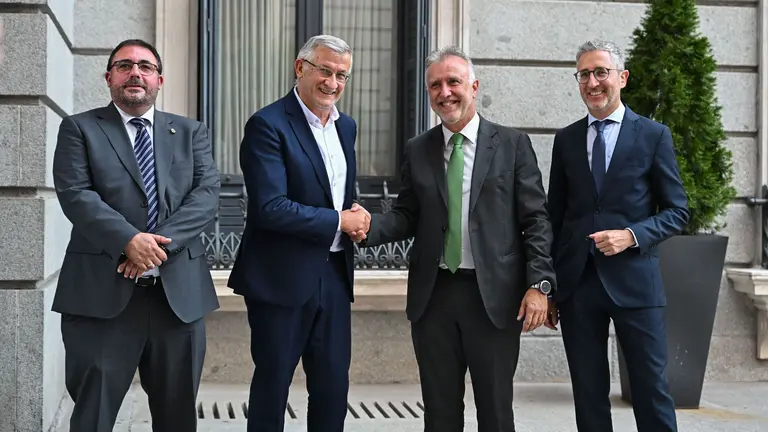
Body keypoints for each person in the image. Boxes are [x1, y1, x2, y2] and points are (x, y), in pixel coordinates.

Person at [356, 46, 556, 432]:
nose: (444, 92)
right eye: (435, 85)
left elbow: (537, 220)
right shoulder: (418, 149)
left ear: (474, 86)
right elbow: (407, 216)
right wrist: (366, 227)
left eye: (453, 82)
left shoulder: (513, 145)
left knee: (496, 413)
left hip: (494, 299)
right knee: (440, 413)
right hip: (434, 299)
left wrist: (539, 284)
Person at [52, 39, 220, 431]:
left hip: (177, 300)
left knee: (177, 417)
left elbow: (206, 197)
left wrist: (151, 247)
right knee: (93, 415)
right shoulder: (80, 128)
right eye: (124, 65)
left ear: (159, 79)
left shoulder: (192, 132)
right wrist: (128, 240)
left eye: (145, 66)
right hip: (101, 299)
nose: (135, 73)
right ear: (109, 76)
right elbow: (76, 195)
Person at [546, 39, 690, 432]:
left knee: (651, 391)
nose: (592, 82)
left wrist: (632, 234)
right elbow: (553, 217)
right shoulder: (567, 139)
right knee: (588, 396)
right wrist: (549, 286)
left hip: (636, 284)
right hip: (578, 286)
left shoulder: (653, 135)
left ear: (621, 78)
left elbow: (678, 211)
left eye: (600, 72)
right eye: (584, 75)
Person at [227, 34, 369, 431]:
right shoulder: (267, 124)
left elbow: (337, 192)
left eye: (342, 75)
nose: (333, 83)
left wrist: (354, 218)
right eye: (325, 70)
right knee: (273, 388)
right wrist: (340, 221)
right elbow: (271, 208)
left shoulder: (347, 128)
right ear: (300, 67)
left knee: (332, 389)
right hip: (280, 279)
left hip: (335, 276)